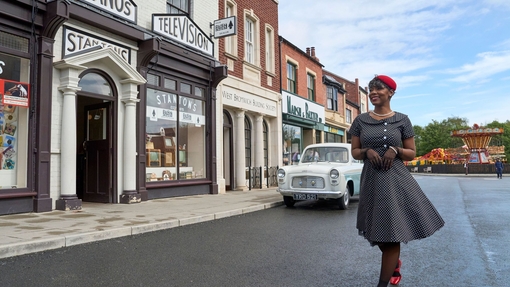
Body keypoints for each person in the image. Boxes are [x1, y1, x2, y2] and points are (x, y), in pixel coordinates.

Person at [349, 75, 445, 287]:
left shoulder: (402, 120)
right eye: (371, 89)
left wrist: (396, 150)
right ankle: (394, 263)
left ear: (391, 92)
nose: (373, 92)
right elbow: (355, 152)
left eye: (379, 88)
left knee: (391, 235)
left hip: (397, 182)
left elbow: (411, 153)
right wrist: (366, 151)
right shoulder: (360, 121)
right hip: (372, 181)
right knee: (378, 233)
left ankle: (382, 284)